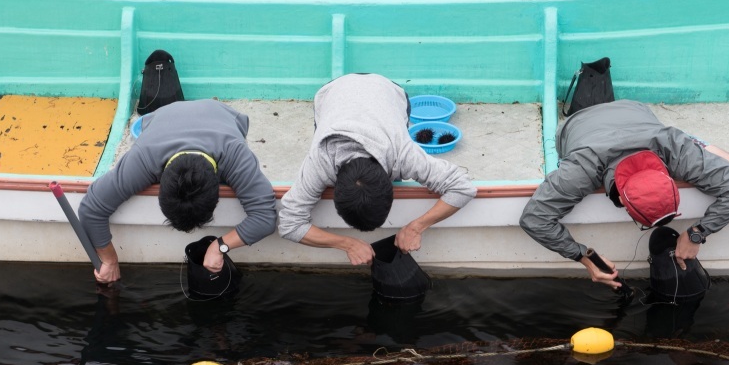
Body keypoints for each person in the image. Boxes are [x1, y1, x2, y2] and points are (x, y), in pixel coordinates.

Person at [519, 100, 729, 288]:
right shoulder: (582, 168)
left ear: (671, 178)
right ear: (622, 200)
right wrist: (583, 257)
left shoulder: (674, 148)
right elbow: (534, 218)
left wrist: (697, 233)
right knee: (726, 162)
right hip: (576, 124)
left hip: (633, 109)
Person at [277, 73, 476, 266]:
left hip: (387, 90)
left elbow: (462, 187)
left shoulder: (403, 153)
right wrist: (346, 243)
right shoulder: (320, 161)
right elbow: (289, 224)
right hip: (333, 92)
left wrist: (417, 227)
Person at [79, 99, 277, 284]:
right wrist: (110, 260)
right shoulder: (145, 157)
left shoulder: (235, 154)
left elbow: (265, 216)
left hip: (222, 115)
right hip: (161, 117)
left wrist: (220, 245)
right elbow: (91, 208)